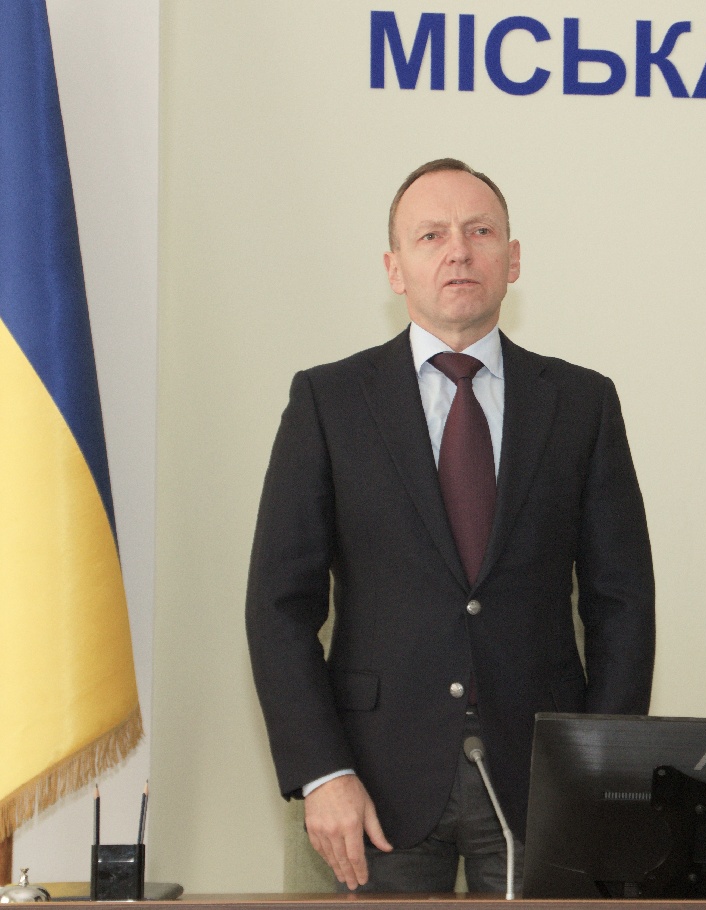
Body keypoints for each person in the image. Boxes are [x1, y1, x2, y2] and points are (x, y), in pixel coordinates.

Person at [245, 158, 655, 894]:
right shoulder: (329, 402)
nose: (458, 252)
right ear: (394, 269)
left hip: (540, 784)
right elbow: (279, 606)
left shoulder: (582, 403)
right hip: (370, 784)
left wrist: (600, 771)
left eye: (480, 232)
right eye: (431, 235)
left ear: (513, 259)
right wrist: (322, 772)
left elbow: (621, 603)